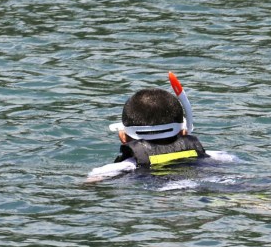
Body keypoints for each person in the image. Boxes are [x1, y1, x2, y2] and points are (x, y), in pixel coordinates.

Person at [87, 73, 236, 183]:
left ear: (123, 137)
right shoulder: (221, 157)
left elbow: (91, 182)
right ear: (184, 131)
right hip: (221, 182)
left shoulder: (121, 168)